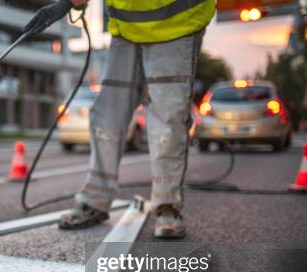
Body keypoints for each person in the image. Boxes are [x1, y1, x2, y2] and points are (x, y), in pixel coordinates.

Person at [24, 0, 215, 238]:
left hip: (176, 25)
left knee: (168, 122)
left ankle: (167, 207)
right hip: (126, 29)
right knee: (106, 116)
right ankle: (94, 201)